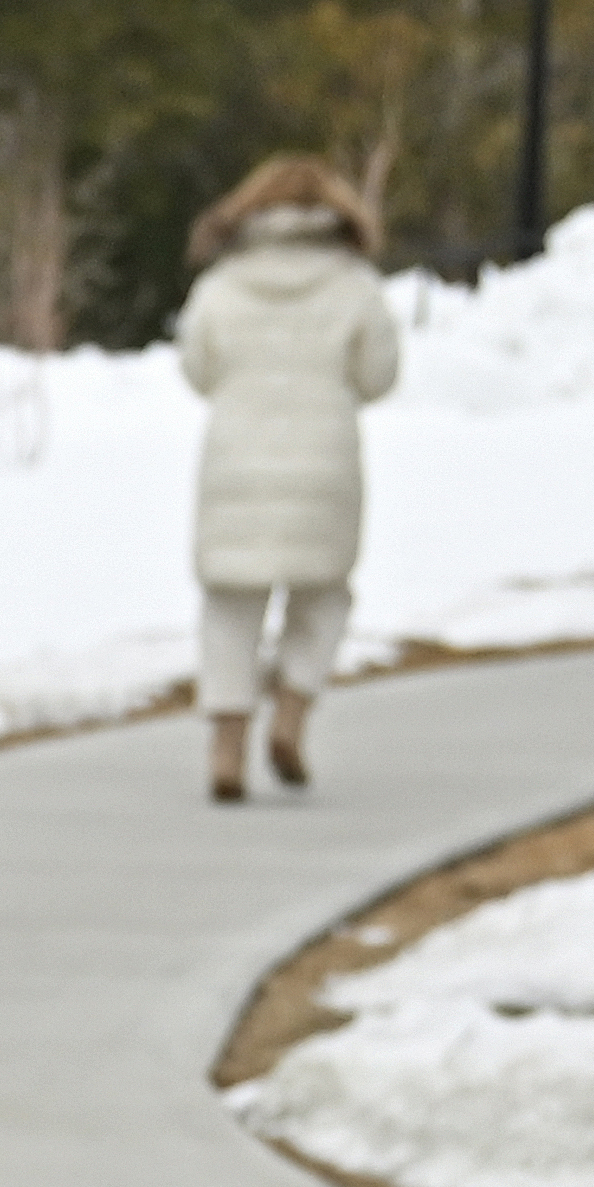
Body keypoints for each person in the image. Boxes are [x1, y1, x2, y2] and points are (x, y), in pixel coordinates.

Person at [173, 150, 404, 802]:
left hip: (236, 460)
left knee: (230, 604)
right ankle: (292, 716)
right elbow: (378, 376)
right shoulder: (355, 286)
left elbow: (197, 369)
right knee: (324, 595)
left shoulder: (221, 285)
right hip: (324, 462)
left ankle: (226, 748)